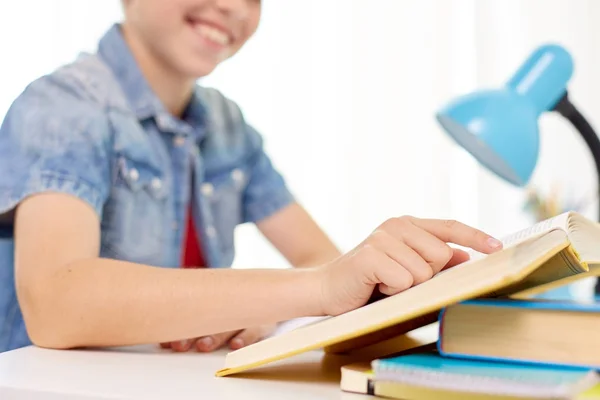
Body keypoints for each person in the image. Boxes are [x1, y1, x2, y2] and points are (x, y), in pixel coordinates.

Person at [0, 0, 503, 354]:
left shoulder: (225, 125)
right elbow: (56, 301)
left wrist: (267, 311)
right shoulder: (62, 105)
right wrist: (310, 289)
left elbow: (319, 258)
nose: (235, 8)